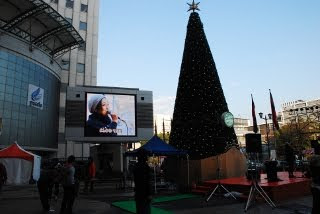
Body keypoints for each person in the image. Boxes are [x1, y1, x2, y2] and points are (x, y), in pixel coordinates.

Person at [133, 149, 152, 214]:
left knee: (139, 210)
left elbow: (136, 180)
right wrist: (149, 193)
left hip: (138, 193)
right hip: (144, 195)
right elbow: (147, 181)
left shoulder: (136, 166)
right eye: (146, 155)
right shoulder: (145, 167)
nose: (147, 157)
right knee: (145, 210)